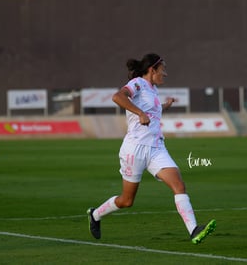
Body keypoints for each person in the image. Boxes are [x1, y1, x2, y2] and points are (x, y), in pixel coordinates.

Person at [87, 53, 216, 244]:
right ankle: (95, 214)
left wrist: (166, 105)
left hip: (156, 149)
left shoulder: (153, 90)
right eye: (162, 68)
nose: (165, 73)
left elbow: (152, 111)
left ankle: (194, 230)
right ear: (152, 69)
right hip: (134, 149)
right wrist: (139, 113)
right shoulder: (138, 83)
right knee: (127, 201)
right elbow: (117, 97)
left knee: (179, 185)